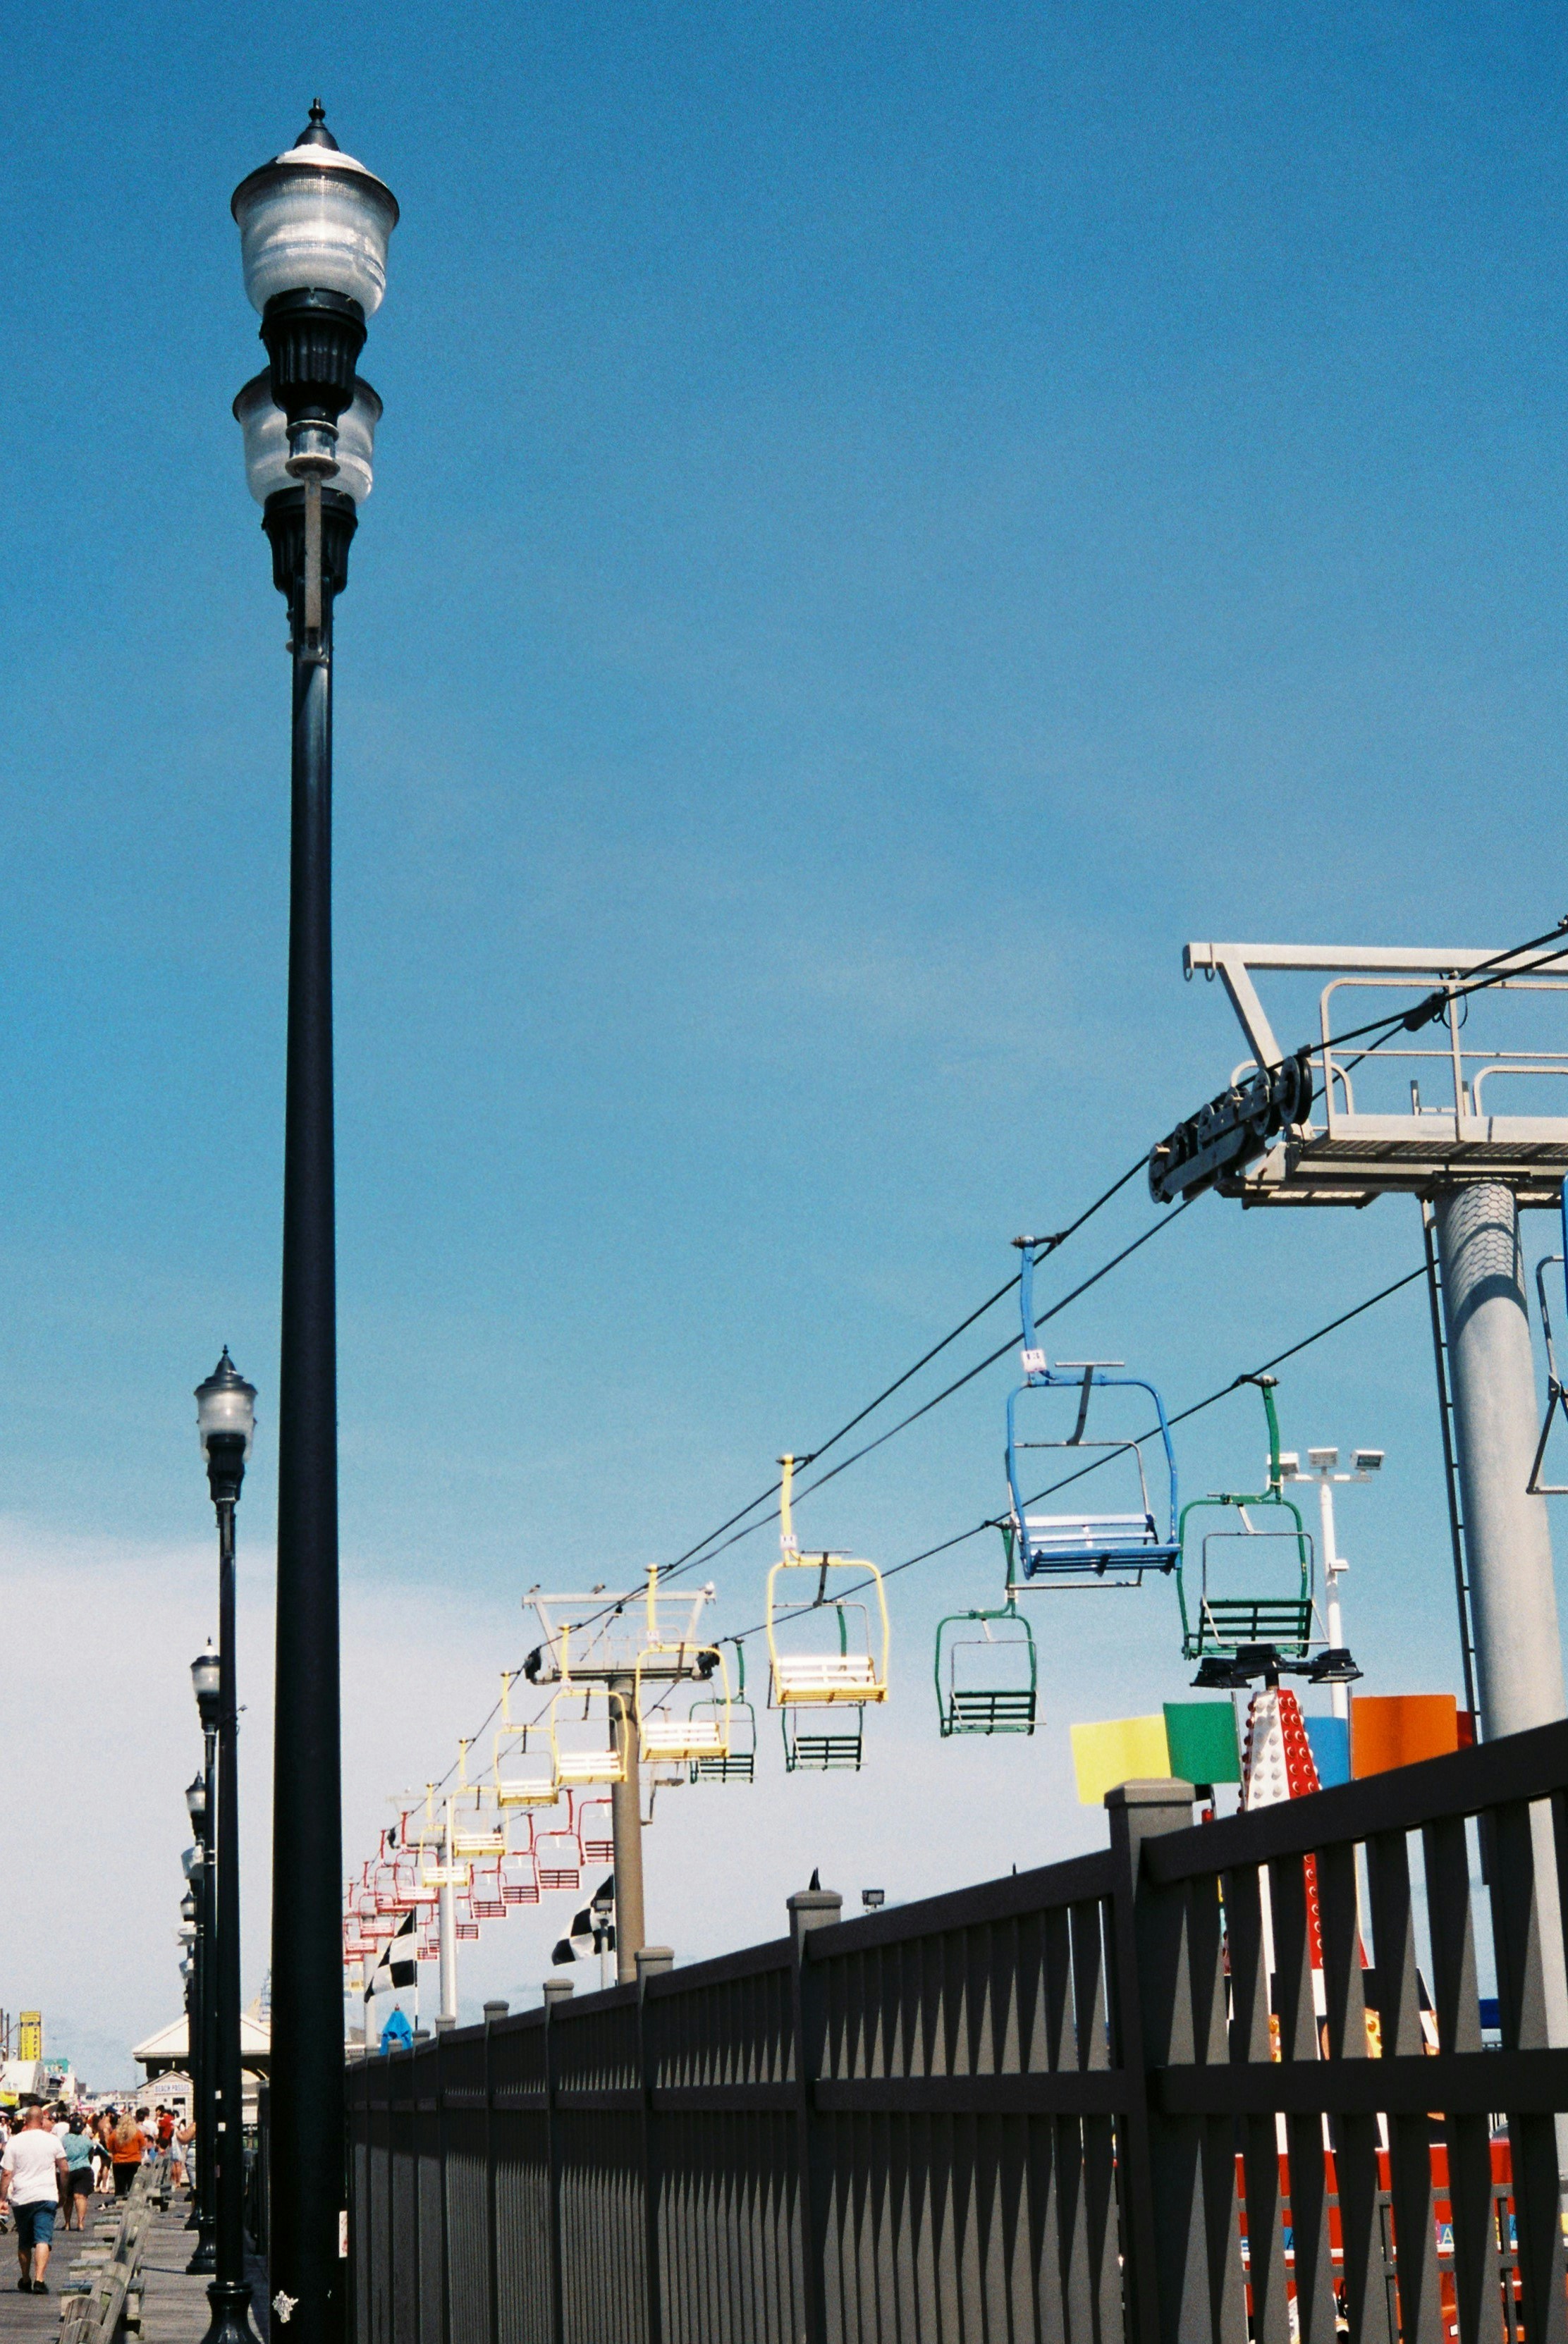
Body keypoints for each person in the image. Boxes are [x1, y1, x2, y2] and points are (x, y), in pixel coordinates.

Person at [0, 2103, 66, 2292]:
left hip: (22, 2198)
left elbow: (6, 2174)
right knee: (43, 2239)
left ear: (26, 2121)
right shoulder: (52, 2140)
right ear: (41, 2120)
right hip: (46, 2195)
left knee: (24, 2241)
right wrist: (63, 2192)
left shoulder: (14, 2141)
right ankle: (39, 2280)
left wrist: (1, 2199)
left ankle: (25, 2278)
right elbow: (64, 2168)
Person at [58, 2119, 92, 2232]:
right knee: (80, 2197)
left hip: (68, 2170)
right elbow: (91, 2153)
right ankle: (80, 2223)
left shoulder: (64, 2140)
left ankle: (67, 2223)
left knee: (68, 2198)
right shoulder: (87, 2140)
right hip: (84, 2169)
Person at [109, 2109, 144, 2196]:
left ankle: (119, 2201)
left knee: (120, 2186)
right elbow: (142, 2146)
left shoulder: (115, 2134)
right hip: (134, 2161)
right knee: (133, 2186)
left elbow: (110, 2148)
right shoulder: (137, 2133)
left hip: (119, 2162)